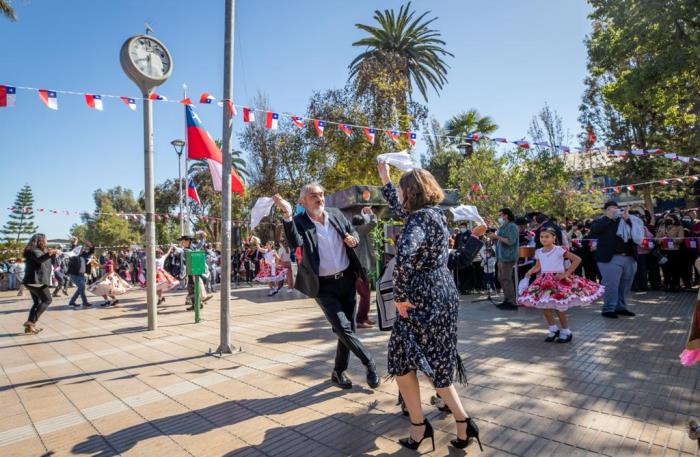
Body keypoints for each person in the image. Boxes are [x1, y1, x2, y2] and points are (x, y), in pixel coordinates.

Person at [377, 162, 481, 453]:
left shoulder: (417, 220)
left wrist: (399, 296)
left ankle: (420, 427)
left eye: (400, 190)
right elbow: (402, 213)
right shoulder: (435, 215)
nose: (398, 195)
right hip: (443, 291)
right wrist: (385, 180)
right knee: (434, 358)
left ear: (409, 192)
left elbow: (405, 257)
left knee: (401, 360)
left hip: (422, 296)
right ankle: (462, 423)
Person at [273, 183, 380, 390]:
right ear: (303, 201)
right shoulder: (299, 221)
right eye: (314, 196)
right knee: (342, 327)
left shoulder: (336, 214)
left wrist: (353, 240)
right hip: (323, 286)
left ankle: (338, 372)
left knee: (348, 329)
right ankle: (369, 362)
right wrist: (287, 215)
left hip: (347, 280)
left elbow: (354, 233)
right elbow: (295, 242)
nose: (320, 199)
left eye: (322, 194)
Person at [519, 227, 604, 343]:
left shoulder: (559, 250)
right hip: (543, 281)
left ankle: (566, 331)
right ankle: (553, 329)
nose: (544, 239)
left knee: (559, 306)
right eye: (542, 237)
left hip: (557, 281)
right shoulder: (539, 251)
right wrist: (530, 271)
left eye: (547, 237)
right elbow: (538, 266)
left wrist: (566, 274)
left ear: (554, 238)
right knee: (544, 306)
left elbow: (577, 259)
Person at [590, 201, 638, 318]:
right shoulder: (600, 220)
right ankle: (608, 309)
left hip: (629, 256)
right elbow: (595, 230)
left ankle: (620, 307)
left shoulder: (625, 220)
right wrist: (608, 218)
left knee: (625, 285)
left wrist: (628, 220)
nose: (615, 211)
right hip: (610, 258)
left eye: (616, 209)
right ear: (605, 211)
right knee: (611, 285)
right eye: (611, 209)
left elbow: (637, 231)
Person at [22, 234, 61, 334]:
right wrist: (51, 252)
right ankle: (31, 322)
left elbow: (44, 261)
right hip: (36, 281)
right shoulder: (33, 251)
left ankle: (30, 327)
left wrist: (52, 254)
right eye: (46, 240)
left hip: (33, 281)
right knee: (48, 300)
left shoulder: (38, 251)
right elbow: (40, 259)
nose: (47, 242)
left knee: (37, 303)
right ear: (41, 241)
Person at [488, 208, 519, 310]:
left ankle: (511, 301)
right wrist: (493, 238)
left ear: (506, 215)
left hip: (508, 257)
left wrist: (496, 237)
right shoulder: (502, 227)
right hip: (501, 257)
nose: (499, 217)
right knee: (501, 279)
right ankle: (506, 299)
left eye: (500, 215)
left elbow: (510, 241)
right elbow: (500, 240)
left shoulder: (512, 226)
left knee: (506, 278)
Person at [352, 207, 377, 328]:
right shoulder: (359, 230)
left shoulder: (354, 231)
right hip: (359, 269)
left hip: (359, 268)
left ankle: (364, 317)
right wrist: (371, 214)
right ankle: (360, 320)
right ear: (361, 224)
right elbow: (373, 223)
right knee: (365, 294)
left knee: (366, 293)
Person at [67, 240, 95, 308]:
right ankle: (85, 302)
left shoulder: (84, 255)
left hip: (81, 275)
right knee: (82, 287)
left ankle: (72, 302)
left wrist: (90, 245)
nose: (82, 250)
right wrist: (75, 243)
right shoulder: (73, 256)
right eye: (81, 249)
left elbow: (91, 251)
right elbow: (72, 250)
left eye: (83, 249)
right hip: (75, 275)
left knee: (81, 288)